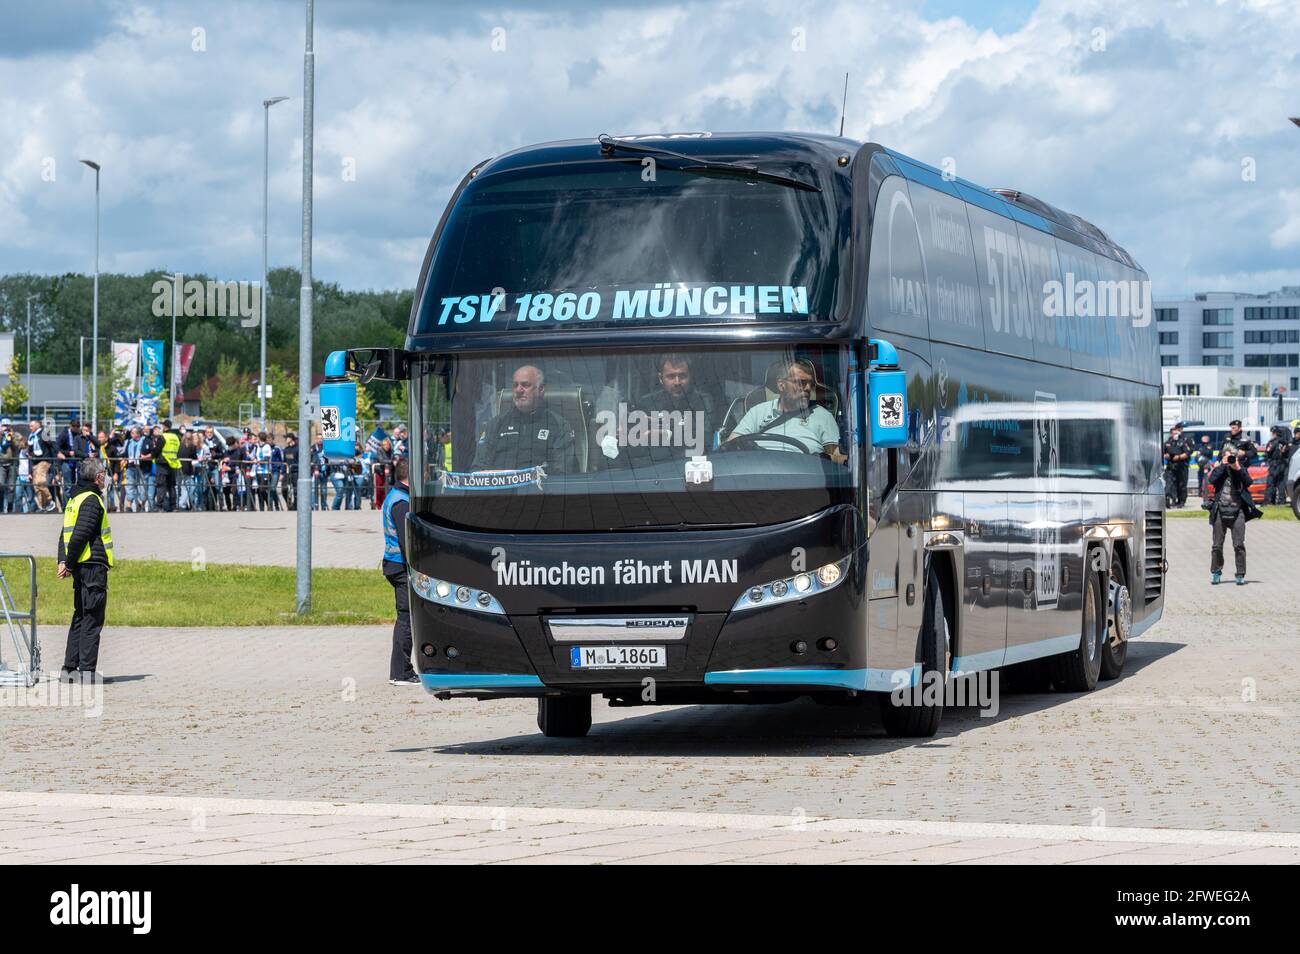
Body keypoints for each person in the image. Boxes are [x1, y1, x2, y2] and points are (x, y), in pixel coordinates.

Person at [56, 457, 114, 682]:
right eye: (104, 474)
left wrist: (64, 560)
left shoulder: (75, 497)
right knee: (92, 617)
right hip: (91, 566)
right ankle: (87, 672)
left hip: (80, 565)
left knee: (80, 616)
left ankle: (69, 669)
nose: (105, 478)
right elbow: (81, 534)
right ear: (98, 476)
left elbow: (65, 534)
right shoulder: (91, 499)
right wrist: (68, 563)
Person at [727, 358, 846, 463]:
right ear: (781, 385)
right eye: (802, 382)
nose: (808, 388)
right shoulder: (757, 412)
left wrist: (817, 459)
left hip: (806, 478)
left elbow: (839, 459)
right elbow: (730, 446)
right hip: (759, 472)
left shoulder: (822, 416)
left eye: (811, 384)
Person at [471, 364, 576, 473]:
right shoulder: (496, 424)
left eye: (525, 385)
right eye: (515, 385)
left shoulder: (558, 426)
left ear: (540, 389)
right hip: (500, 489)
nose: (518, 390)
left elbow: (563, 473)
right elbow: (478, 469)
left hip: (540, 488)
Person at [631, 353, 715, 460]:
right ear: (661, 379)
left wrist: (667, 434)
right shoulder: (647, 403)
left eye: (682, 376)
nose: (677, 382)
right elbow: (636, 449)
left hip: (693, 467)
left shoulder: (703, 401)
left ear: (690, 377)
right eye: (671, 376)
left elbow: (706, 439)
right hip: (656, 468)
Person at [381, 459, 418, 685]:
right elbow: (407, 542)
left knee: (406, 617)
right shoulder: (401, 503)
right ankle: (401, 672)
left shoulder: (396, 496)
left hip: (394, 564)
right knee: (406, 618)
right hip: (400, 567)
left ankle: (402, 670)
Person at [1207, 444, 1259, 586]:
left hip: (1238, 512)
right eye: (1228, 456)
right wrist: (1223, 465)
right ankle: (1216, 572)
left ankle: (1240, 574)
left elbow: (1248, 482)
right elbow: (1211, 480)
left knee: (1239, 544)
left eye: (1232, 456)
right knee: (1217, 545)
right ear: (1223, 455)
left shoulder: (1239, 468)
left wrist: (1237, 467)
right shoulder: (1220, 469)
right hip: (1220, 511)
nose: (1230, 458)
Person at [27, 419, 55, 512]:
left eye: (31, 426)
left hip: (43, 460)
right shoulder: (31, 436)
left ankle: (50, 501)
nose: (29, 427)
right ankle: (43, 507)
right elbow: (30, 452)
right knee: (36, 487)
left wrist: (56, 456)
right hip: (34, 462)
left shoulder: (43, 433)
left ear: (37, 425)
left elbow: (52, 444)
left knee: (40, 482)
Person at [1162, 424, 1191, 507]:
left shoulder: (1182, 442)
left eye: (1176, 433)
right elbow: (1162, 453)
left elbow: (1188, 453)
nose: (1175, 435)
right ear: (1171, 434)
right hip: (1171, 466)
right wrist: (1166, 456)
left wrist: (1178, 457)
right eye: (1174, 433)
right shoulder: (1167, 443)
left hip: (1181, 466)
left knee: (1182, 484)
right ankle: (1173, 499)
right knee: (1171, 484)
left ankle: (1181, 501)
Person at [1263, 425, 1291, 505]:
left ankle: (1268, 501)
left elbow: (1267, 452)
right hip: (1283, 465)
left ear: (1274, 432)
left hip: (1274, 465)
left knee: (1270, 483)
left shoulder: (1273, 442)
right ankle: (1281, 501)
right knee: (1281, 484)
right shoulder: (1284, 442)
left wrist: (1266, 460)